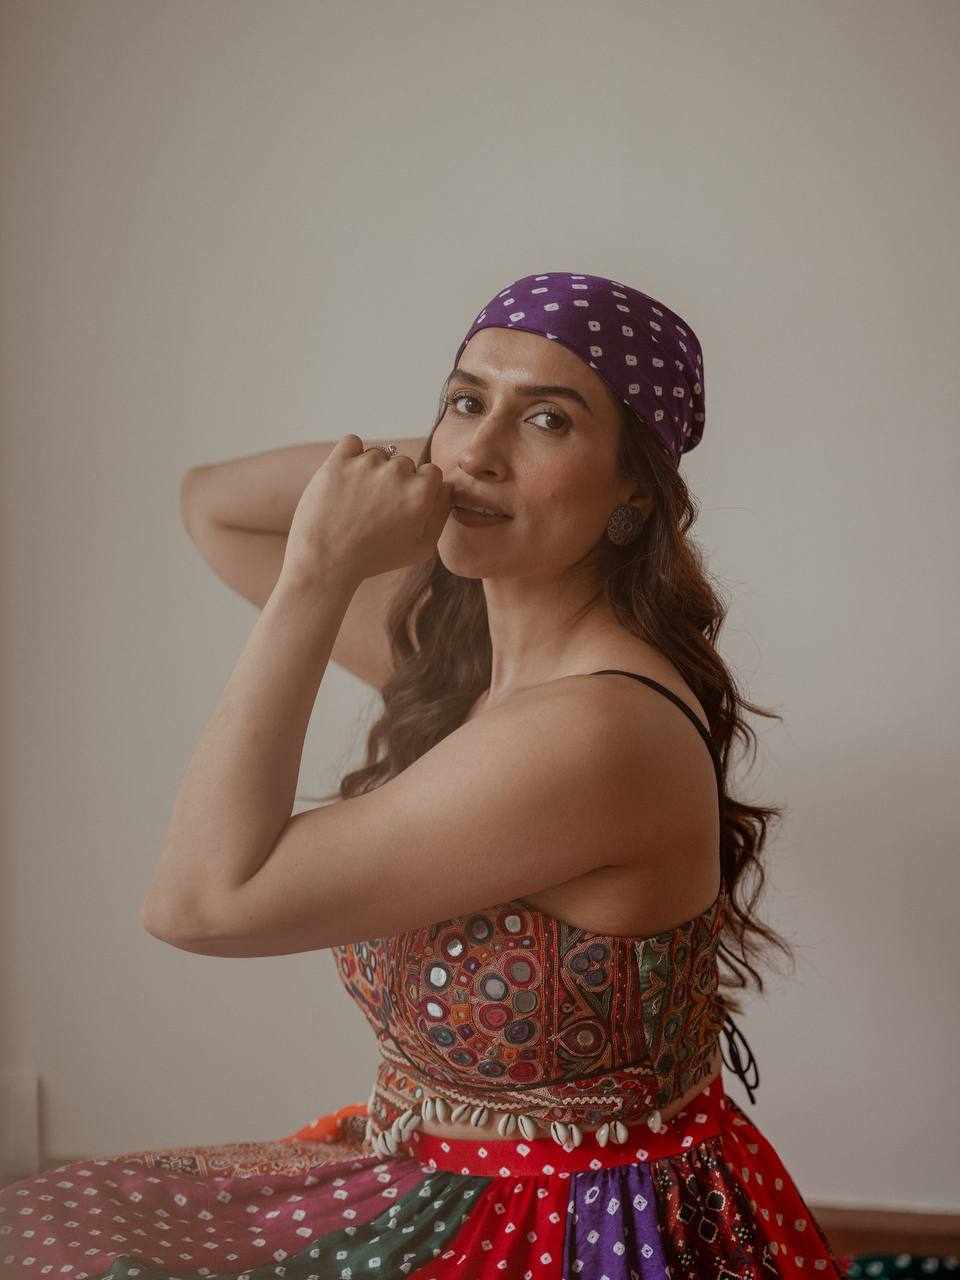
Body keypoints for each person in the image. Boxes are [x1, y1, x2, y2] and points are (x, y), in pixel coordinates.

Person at [0, 272, 858, 1278]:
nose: (482, 447)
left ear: (635, 489)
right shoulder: (472, 668)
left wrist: (321, 572)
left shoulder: (591, 731)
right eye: (464, 399)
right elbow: (213, 506)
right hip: (443, 1182)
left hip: (573, 1230)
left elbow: (198, 902)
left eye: (549, 419)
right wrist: (460, 461)